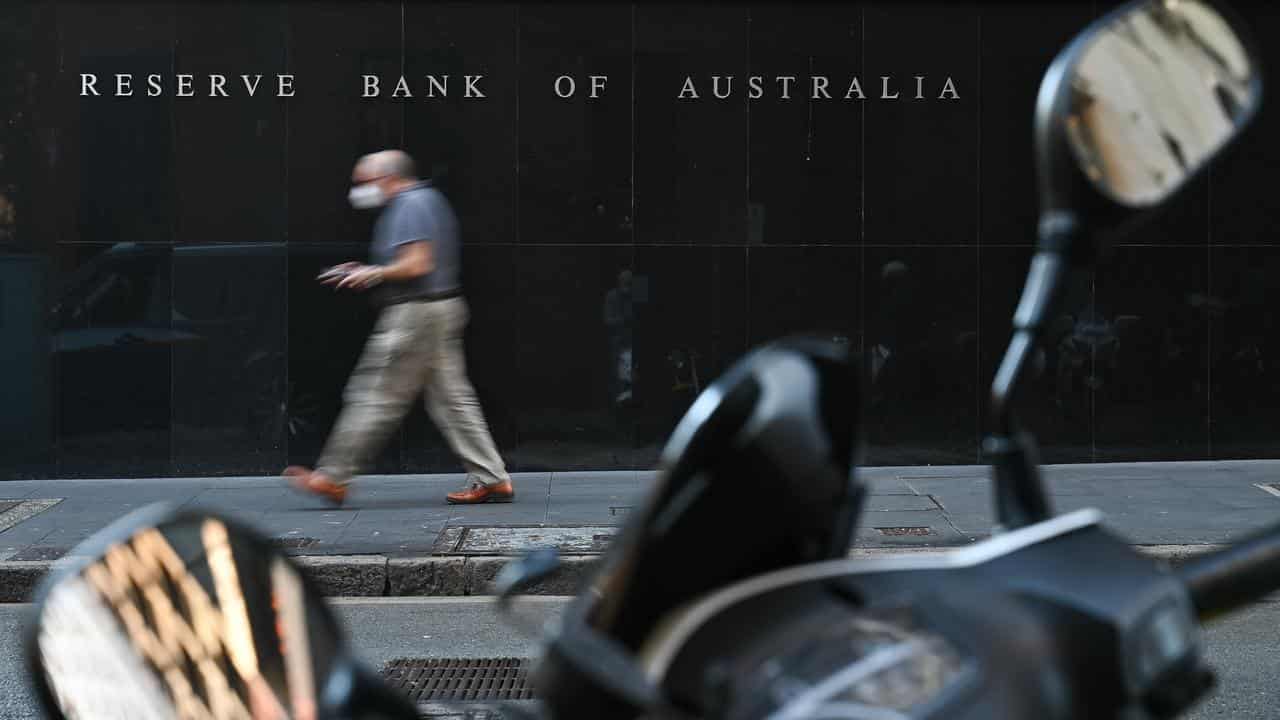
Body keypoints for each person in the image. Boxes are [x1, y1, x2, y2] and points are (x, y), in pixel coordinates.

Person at [283, 150, 514, 505]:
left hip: (416, 316)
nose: (359, 190)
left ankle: (333, 477)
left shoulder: (409, 205)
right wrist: (367, 268)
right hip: (440, 309)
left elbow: (418, 263)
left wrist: (372, 273)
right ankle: (493, 477)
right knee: (453, 401)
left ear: (389, 178)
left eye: (364, 182)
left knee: (374, 394)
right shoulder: (428, 199)